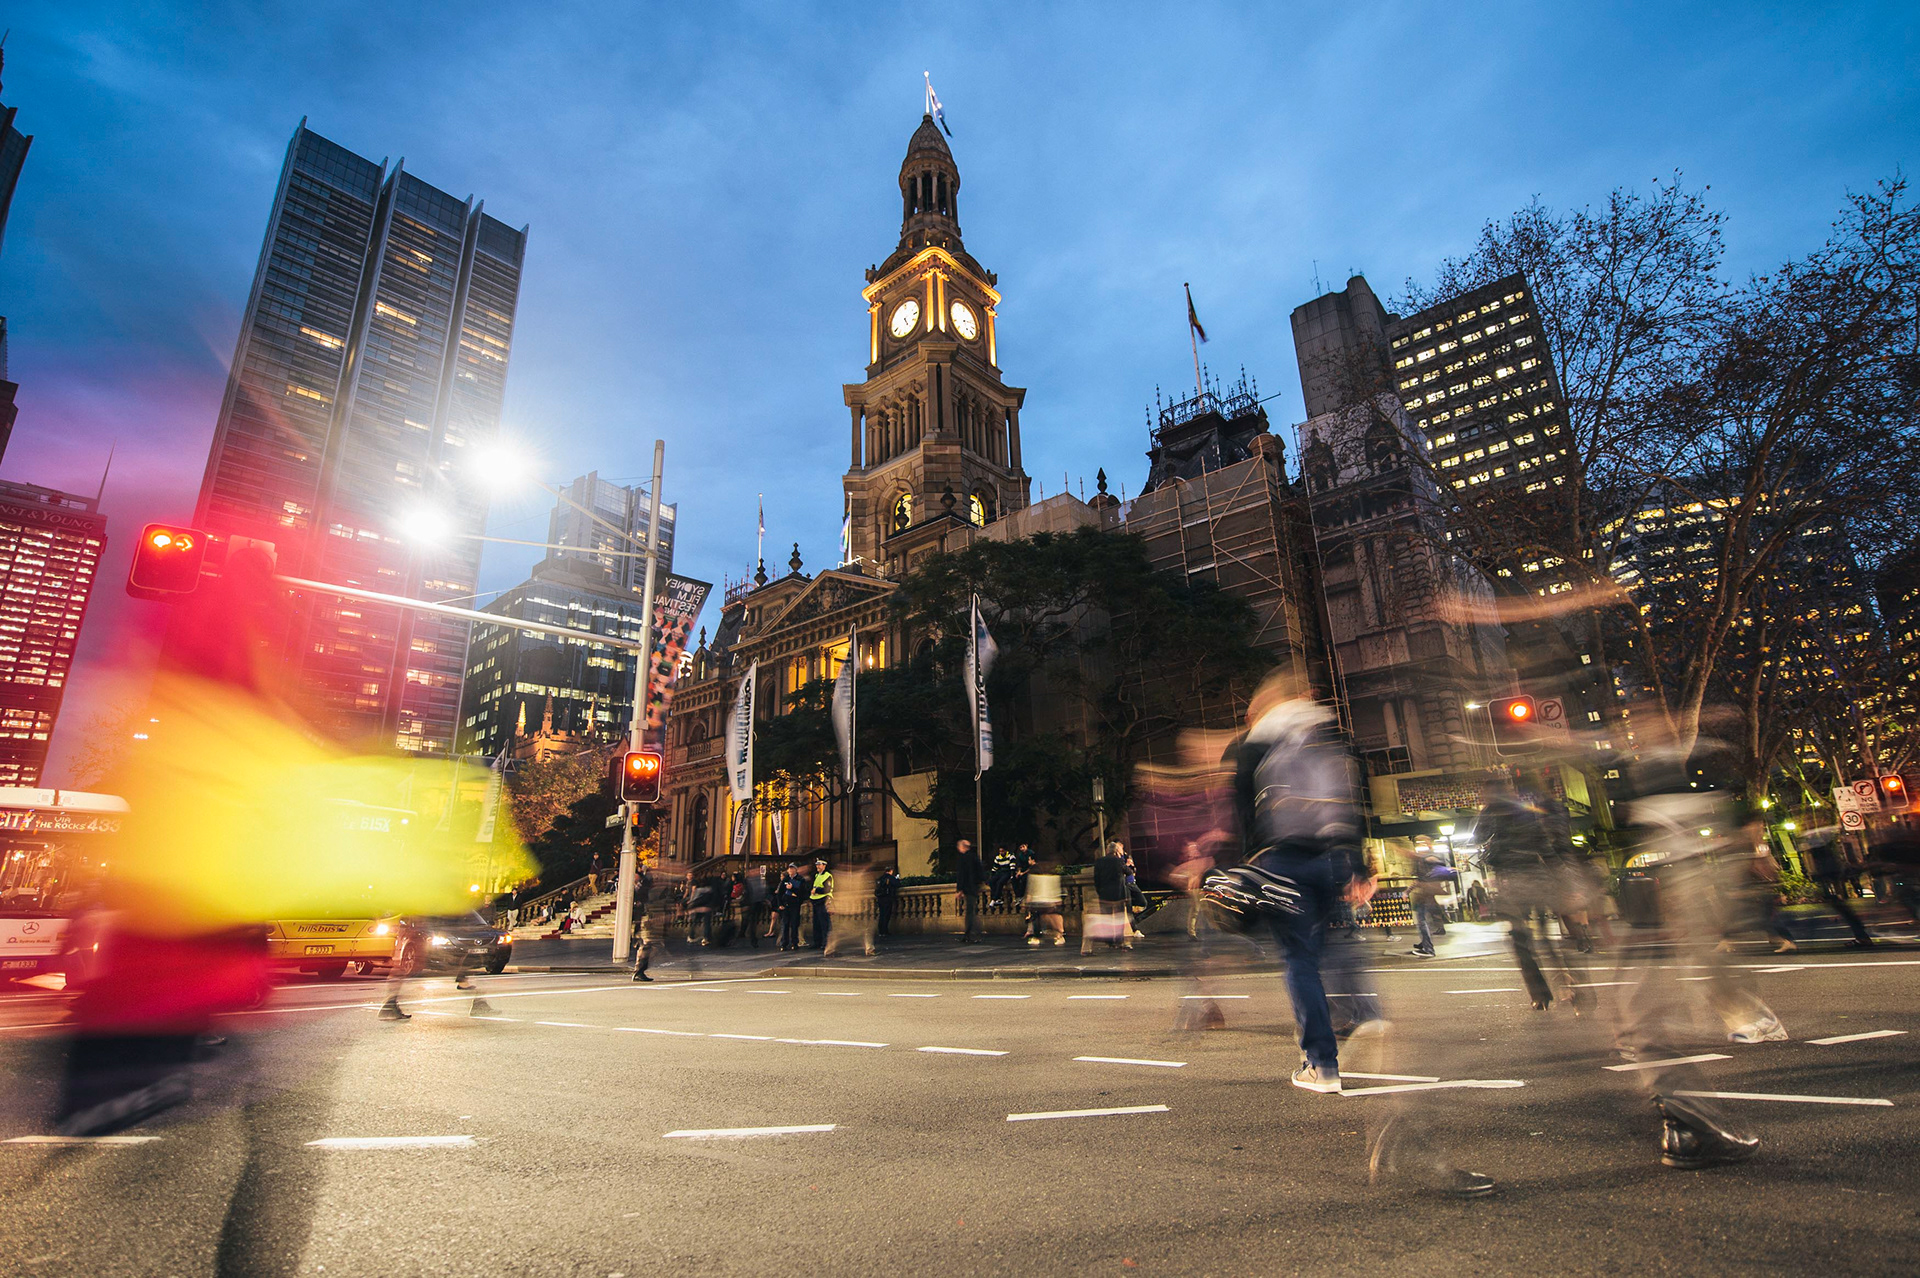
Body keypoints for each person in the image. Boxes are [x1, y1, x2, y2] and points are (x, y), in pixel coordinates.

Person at [1231, 669, 1381, 1096]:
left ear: (1262, 707)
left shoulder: (1256, 745)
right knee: (1337, 940)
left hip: (1282, 859)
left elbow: (1244, 809)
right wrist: (1355, 863)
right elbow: (1346, 799)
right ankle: (1367, 1013)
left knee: (1300, 959)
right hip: (1330, 856)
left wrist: (1247, 863)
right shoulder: (1330, 735)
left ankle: (1322, 1063)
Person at [1081, 842, 1133, 953]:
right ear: (1116, 851)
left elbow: (1097, 879)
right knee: (1119, 918)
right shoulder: (1119, 861)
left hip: (1104, 895)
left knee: (1106, 918)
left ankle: (1109, 941)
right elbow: (1129, 872)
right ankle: (1119, 940)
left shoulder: (1099, 861)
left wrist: (1100, 892)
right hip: (1118, 895)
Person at [953, 838, 985, 943]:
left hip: (968, 888)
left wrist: (959, 889)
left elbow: (961, 875)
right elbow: (980, 872)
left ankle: (970, 934)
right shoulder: (974, 857)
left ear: (962, 847)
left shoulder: (963, 858)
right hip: (974, 887)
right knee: (971, 911)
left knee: (970, 912)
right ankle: (971, 934)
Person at [775, 864, 806, 951]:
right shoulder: (785, 879)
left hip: (795, 905)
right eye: (789, 869)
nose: (790, 870)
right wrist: (780, 904)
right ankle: (784, 943)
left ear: (796, 870)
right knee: (785, 924)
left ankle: (794, 943)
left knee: (794, 924)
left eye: (792, 869)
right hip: (786, 905)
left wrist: (792, 889)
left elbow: (802, 892)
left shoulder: (800, 880)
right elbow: (780, 892)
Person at [808, 857, 835, 950]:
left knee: (824, 923)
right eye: (817, 865)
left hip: (823, 900)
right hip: (816, 901)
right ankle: (817, 942)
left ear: (824, 865)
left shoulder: (827, 875)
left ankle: (825, 942)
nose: (817, 866)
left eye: (819, 865)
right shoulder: (816, 875)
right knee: (816, 923)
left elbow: (827, 889)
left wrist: (816, 890)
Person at [874, 865, 901, 937]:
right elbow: (897, 884)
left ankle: (880, 931)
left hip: (880, 898)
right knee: (886, 914)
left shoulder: (881, 878)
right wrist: (897, 879)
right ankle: (885, 931)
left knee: (882, 914)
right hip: (887, 898)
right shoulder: (890, 878)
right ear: (891, 871)